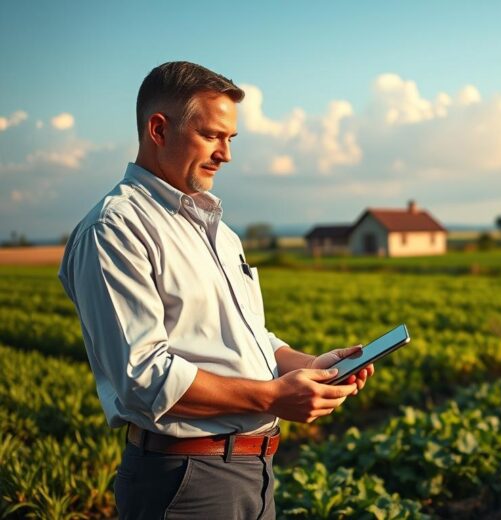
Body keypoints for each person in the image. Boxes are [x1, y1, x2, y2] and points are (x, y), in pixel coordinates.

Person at [58, 61, 373, 519]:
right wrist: (272, 397)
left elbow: (243, 336)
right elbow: (143, 378)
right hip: (185, 477)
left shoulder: (219, 233)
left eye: (231, 139)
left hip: (252, 470)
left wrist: (308, 366)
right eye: (212, 135)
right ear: (159, 130)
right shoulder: (116, 228)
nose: (226, 154)